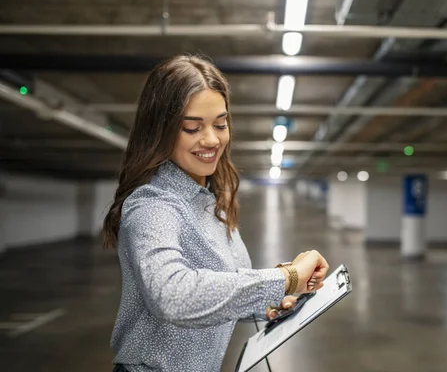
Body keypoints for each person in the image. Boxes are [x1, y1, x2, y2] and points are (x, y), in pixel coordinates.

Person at [102, 54, 330, 372]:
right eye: (192, 128)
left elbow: (221, 288)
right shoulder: (152, 204)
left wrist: (269, 304)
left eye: (220, 124)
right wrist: (285, 278)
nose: (211, 139)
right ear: (161, 130)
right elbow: (174, 295)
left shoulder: (210, 200)